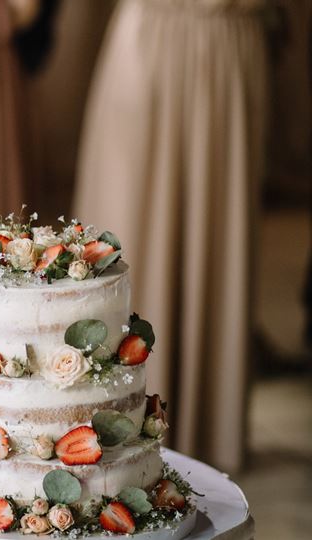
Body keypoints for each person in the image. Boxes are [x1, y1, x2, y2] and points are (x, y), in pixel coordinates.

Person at [73, 0, 268, 472]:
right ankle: (112, 427)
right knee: (135, 241)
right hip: (151, 44)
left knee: (218, 246)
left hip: (229, 43)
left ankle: (206, 426)